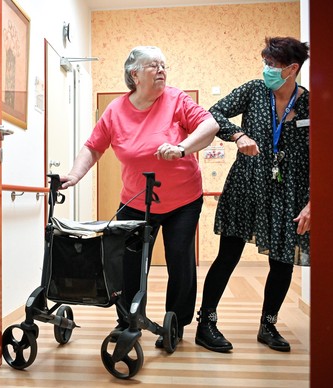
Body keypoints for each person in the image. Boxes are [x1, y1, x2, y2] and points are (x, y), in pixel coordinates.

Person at [60, 46, 219, 347]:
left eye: (163, 65)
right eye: (153, 66)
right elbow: (94, 147)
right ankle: (128, 320)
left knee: (179, 258)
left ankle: (176, 323)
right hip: (135, 200)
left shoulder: (176, 99)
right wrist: (75, 175)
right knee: (129, 263)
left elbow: (210, 126)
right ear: (134, 74)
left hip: (183, 200)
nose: (162, 70)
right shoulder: (116, 110)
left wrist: (183, 148)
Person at [195, 36, 310, 353]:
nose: (266, 70)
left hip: (289, 191)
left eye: (272, 65)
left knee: (283, 261)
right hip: (247, 184)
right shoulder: (254, 90)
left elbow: (323, 155)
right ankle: (206, 323)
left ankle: (268, 324)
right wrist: (237, 134)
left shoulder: (309, 103)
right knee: (228, 255)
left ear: (292, 68)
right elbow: (213, 114)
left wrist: (314, 203)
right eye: (265, 63)